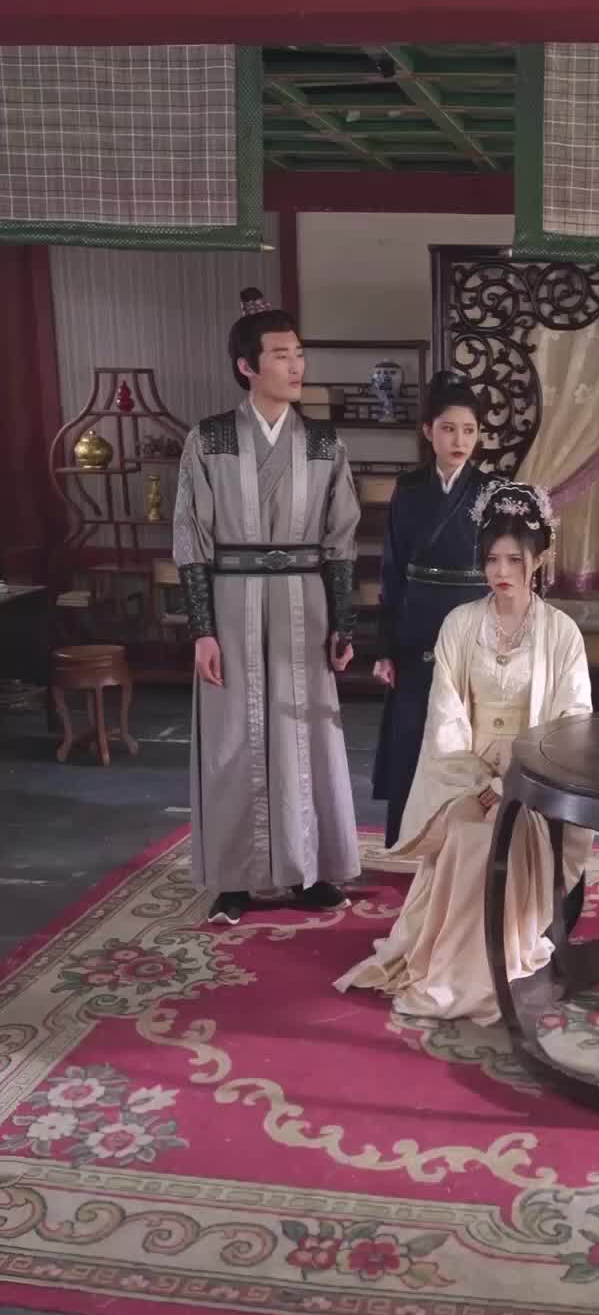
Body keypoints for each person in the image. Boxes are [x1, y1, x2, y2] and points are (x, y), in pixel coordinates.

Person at [335, 482, 592, 1025]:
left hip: (532, 781)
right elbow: (445, 718)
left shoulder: (563, 634)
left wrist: (508, 784)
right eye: (493, 559)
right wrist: (474, 784)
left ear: (539, 560)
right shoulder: (459, 624)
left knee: (492, 835)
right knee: (467, 828)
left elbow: (570, 725)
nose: (502, 571)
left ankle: (479, 972)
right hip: (463, 774)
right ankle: (452, 967)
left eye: (515, 559)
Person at [172, 290, 361, 925]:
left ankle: (310, 869)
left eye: (299, 353)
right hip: (231, 602)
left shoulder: (324, 443)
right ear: (247, 366)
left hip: (305, 600)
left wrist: (343, 622)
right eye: (281, 355)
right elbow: (191, 537)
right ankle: (234, 877)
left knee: (306, 733)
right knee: (233, 736)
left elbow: (341, 539)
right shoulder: (209, 439)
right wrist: (202, 630)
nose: (296, 365)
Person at [371, 373, 495, 846]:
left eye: (468, 430)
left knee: (466, 731)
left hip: (472, 619)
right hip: (417, 622)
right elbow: (391, 572)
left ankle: (465, 838)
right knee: (414, 729)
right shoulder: (408, 489)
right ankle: (410, 837)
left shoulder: (492, 490)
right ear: (428, 431)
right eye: (447, 429)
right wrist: (385, 648)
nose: (459, 440)